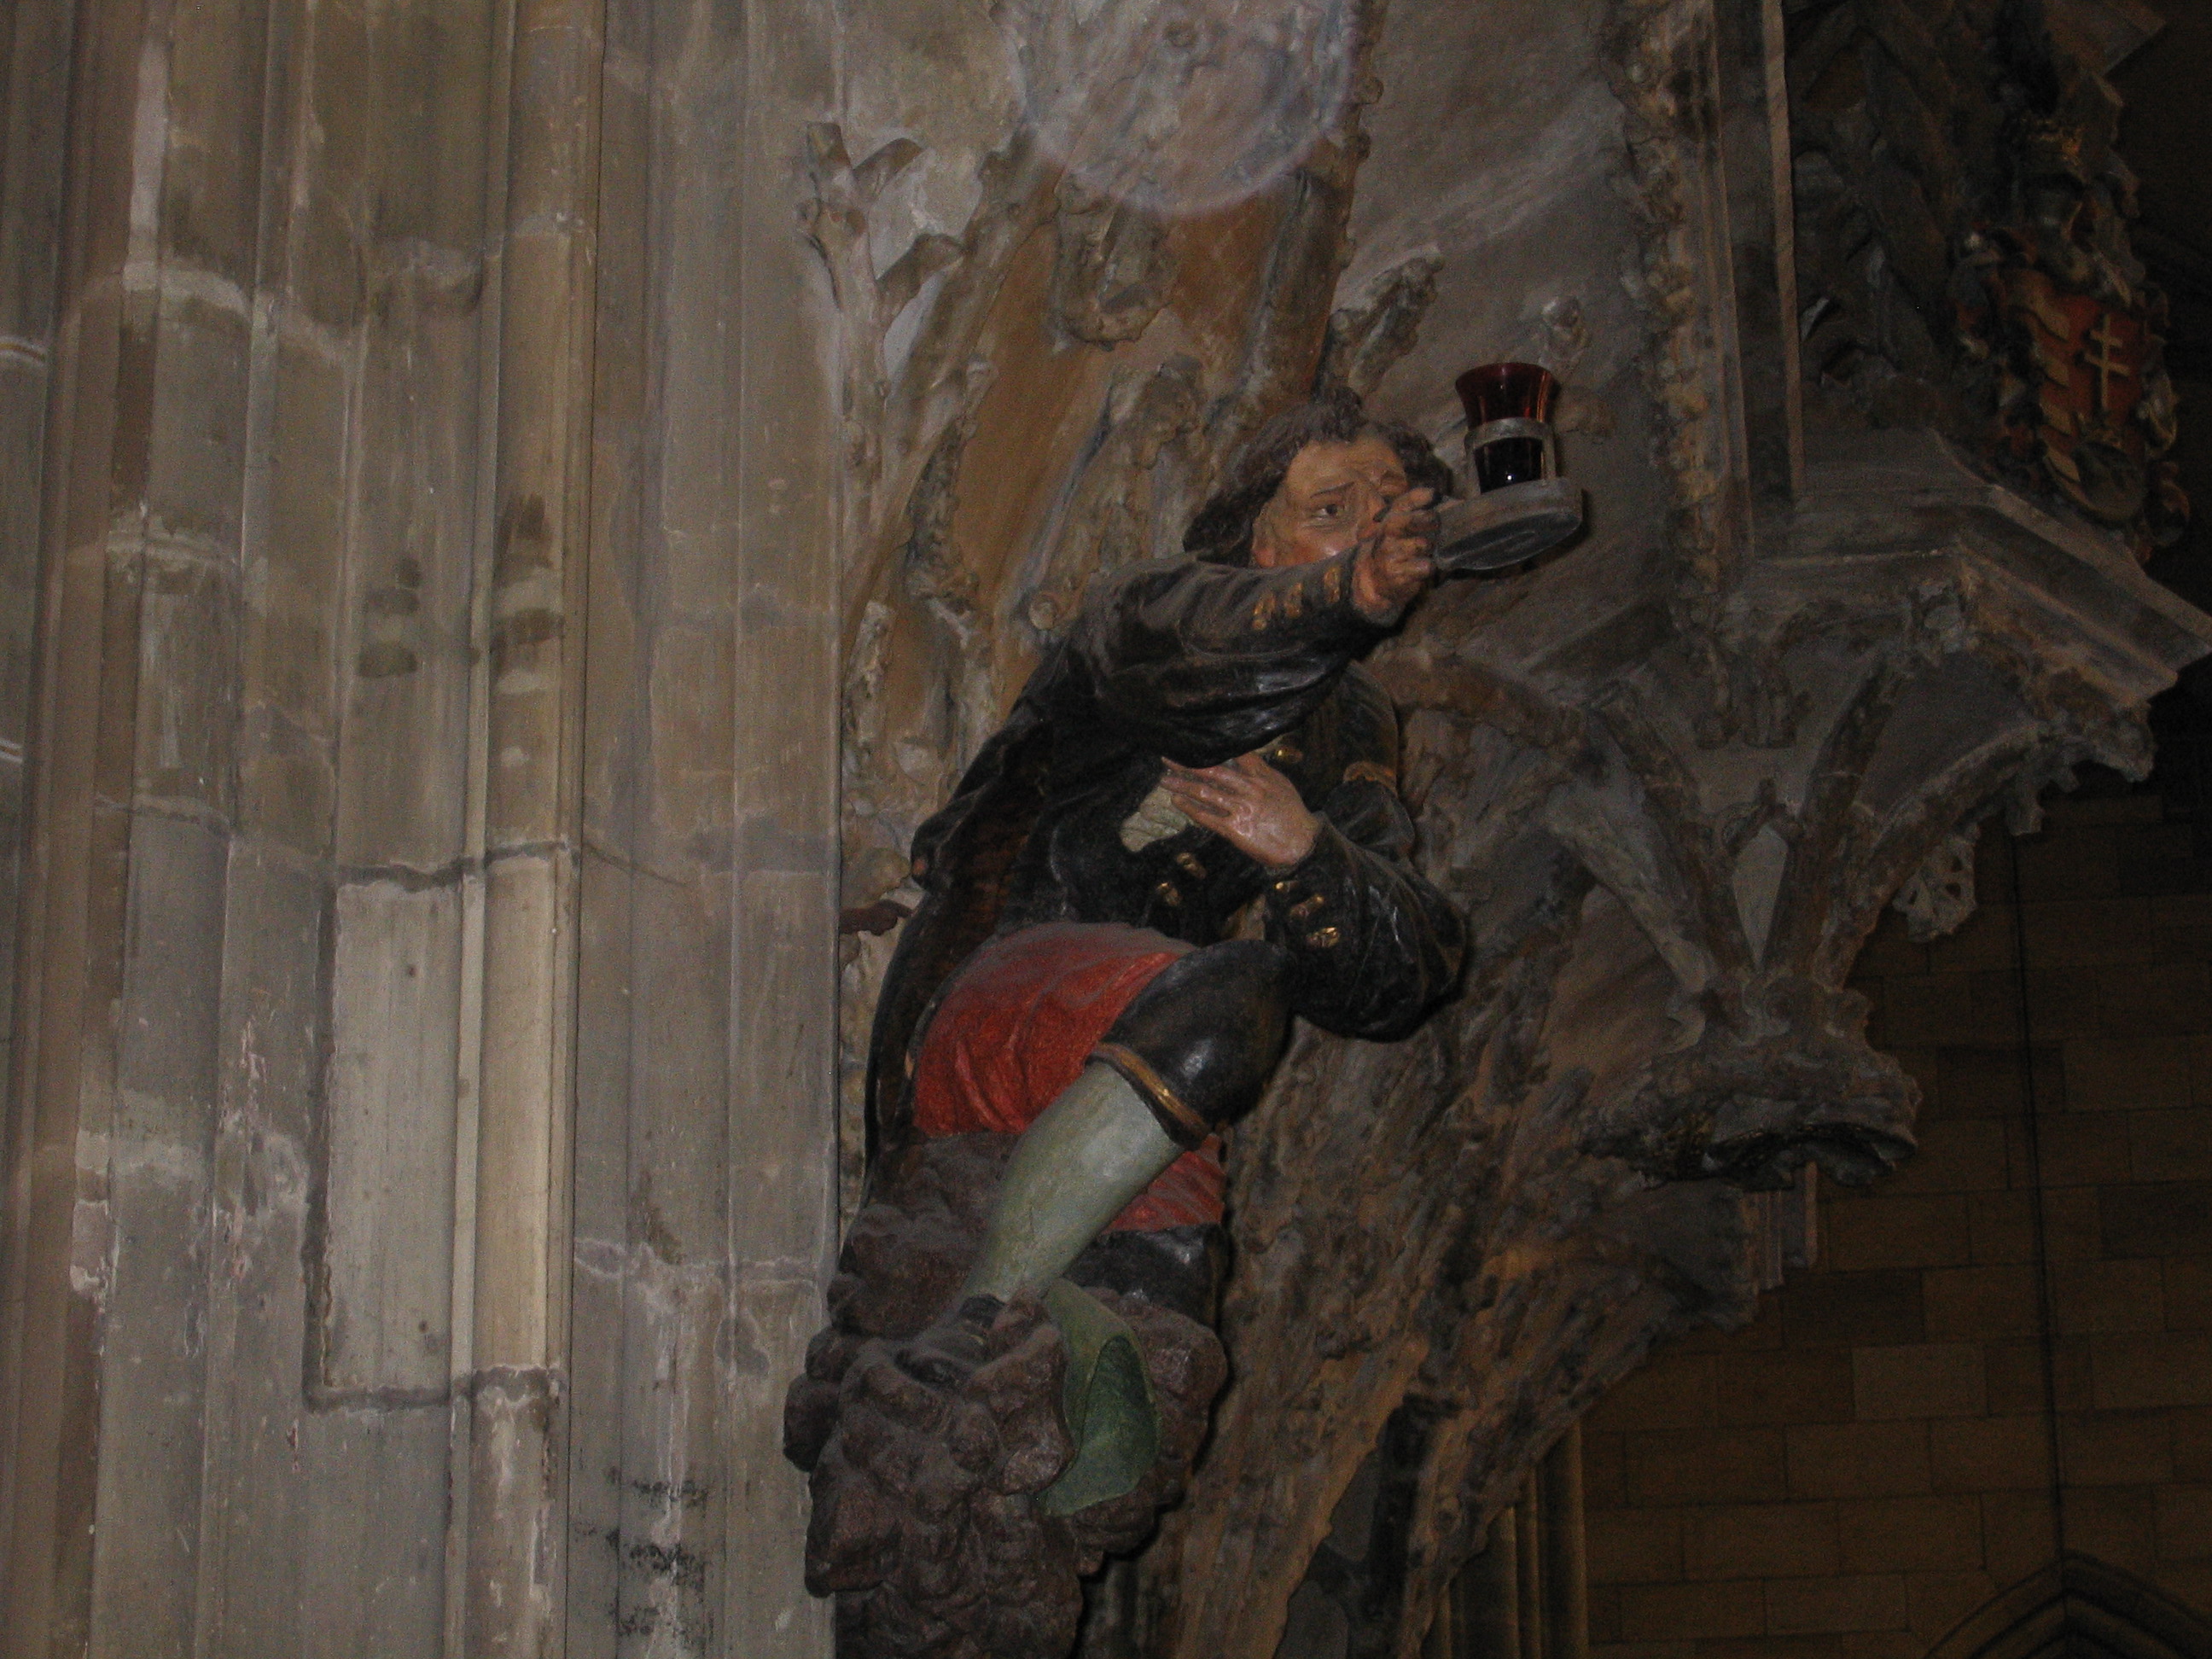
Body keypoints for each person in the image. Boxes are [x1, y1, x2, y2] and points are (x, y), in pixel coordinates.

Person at [866, 387, 1469, 1386]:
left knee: (1154, 1344)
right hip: (1001, 985)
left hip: (1157, 1055)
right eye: (1331, 511)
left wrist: (1306, 851)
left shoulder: (1352, 716)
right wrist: (1347, 592)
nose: (1367, 531)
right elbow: (1205, 654)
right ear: (1254, 536)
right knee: (1237, 989)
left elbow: (1406, 962)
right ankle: (982, 1315)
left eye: (1387, 510)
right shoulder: (1151, 607)